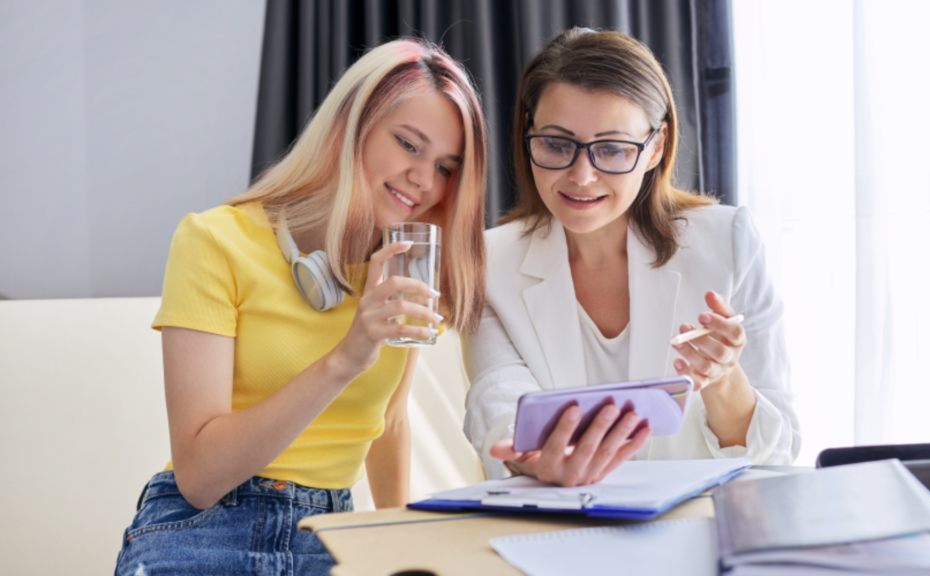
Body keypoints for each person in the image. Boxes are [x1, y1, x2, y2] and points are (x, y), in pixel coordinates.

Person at [114, 39, 487, 575]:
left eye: (447, 168)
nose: (424, 181)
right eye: (408, 144)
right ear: (348, 127)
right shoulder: (215, 241)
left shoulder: (400, 264)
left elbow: (392, 420)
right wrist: (345, 356)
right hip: (204, 528)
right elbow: (199, 478)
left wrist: (406, 545)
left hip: (331, 533)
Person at [462, 28, 799, 485]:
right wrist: (533, 457)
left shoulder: (727, 241)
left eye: (613, 149)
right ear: (528, 134)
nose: (582, 176)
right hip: (563, 527)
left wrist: (723, 380)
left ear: (655, 147)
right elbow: (501, 410)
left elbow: (778, 451)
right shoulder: (488, 261)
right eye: (558, 145)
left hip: (706, 526)